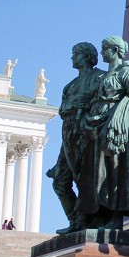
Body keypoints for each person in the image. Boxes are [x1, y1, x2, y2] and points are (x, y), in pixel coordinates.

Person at [79, 37, 129, 231]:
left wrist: (124, 125)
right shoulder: (104, 76)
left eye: (105, 49)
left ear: (115, 50)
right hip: (97, 128)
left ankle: (116, 216)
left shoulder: (127, 71)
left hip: (115, 131)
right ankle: (99, 215)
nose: (102, 53)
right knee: (97, 173)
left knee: (115, 173)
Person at [48, 42, 104, 234]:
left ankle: (82, 221)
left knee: (84, 179)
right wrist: (73, 104)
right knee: (59, 181)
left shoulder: (100, 77)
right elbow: (61, 109)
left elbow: (104, 102)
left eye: (76, 54)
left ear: (87, 56)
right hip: (68, 134)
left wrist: (85, 104)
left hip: (86, 132)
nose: (72, 58)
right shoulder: (70, 85)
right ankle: (75, 220)